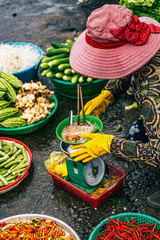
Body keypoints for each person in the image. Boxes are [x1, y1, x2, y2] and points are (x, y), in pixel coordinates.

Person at [69, 4, 160, 209]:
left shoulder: (151, 92)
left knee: (146, 144)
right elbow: (132, 67)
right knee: (137, 133)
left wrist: (108, 144)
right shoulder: (148, 39)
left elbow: (157, 152)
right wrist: (107, 95)